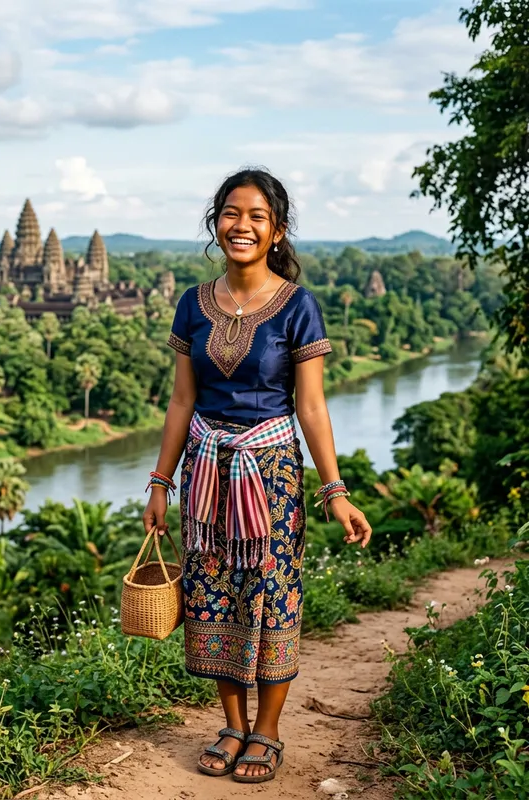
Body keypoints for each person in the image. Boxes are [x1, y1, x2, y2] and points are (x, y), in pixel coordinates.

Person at [142, 167, 373, 784]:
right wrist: (161, 484)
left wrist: (336, 492)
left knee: (270, 595)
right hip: (206, 472)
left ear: (277, 230)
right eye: (230, 214)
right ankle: (232, 723)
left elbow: (312, 407)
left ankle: (266, 731)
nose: (241, 226)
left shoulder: (298, 307)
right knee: (213, 591)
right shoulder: (193, 304)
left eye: (257, 217)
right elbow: (181, 401)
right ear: (215, 223)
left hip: (270, 474)